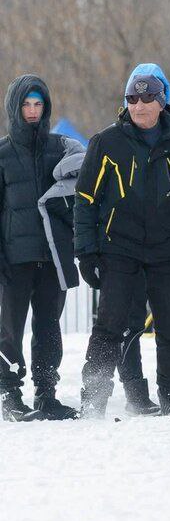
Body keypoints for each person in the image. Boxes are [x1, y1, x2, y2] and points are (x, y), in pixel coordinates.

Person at [75, 72, 170, 417]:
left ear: (161, 103)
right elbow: (85, 199)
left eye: (147, 99)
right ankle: (94, 396)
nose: (139, 106)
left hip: (167, 248)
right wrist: (86, 252)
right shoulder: (107, 142)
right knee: (110, 324)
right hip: (119, 247)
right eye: (132, 99)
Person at [0, 75, 83, 421]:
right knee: (10, 329)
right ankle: (9, 395)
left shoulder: (61, 148)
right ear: (14, 109)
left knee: (49, 327)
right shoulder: (2, 154)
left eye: (38, 104)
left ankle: (46, 395)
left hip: (52, 257)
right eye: (26, 105)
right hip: (14, 259)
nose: (33, 111)